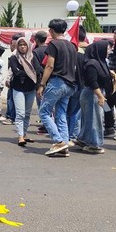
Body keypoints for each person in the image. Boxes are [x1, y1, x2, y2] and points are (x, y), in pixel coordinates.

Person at [37, 19, 78, 157]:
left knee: (44, 112)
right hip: (70, 84)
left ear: (52, 31)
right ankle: (64, 143)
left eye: (50, 30)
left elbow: (49, 66)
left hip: (57, 82)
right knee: (61, 114)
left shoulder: (54, 44)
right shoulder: (72, 45)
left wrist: (42, 84)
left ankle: (58, 141)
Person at [73, 40, 111, 154]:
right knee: (95, 119)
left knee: (90, 118)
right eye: (107, 48)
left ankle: (84, 139)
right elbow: (93, 82)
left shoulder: (100, 62)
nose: (108, 50)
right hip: (93, 94)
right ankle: (95, 144)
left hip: (96, 93)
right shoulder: (92, 64)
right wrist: (100, 96)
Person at [8, 37, 42, 146]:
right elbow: (16, 73)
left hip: (30, 88)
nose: (22, 47)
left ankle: (25, 134)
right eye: (20, 45)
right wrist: (29, 72)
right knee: (20, 113)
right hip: (18, 88)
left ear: (28, 46)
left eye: (24, 45)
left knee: (27, 114)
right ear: (17, 46)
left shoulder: (33, 57)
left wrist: (25, 72)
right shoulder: (14, 58)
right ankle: (20, 136)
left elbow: (38, 70)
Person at [66, 26, 88, 145]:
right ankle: (73, 135)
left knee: (70, 112)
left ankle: (70, 135)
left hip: (72, 85)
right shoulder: (89, 51)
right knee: (76, 112)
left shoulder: (72, 52)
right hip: (83, 86)